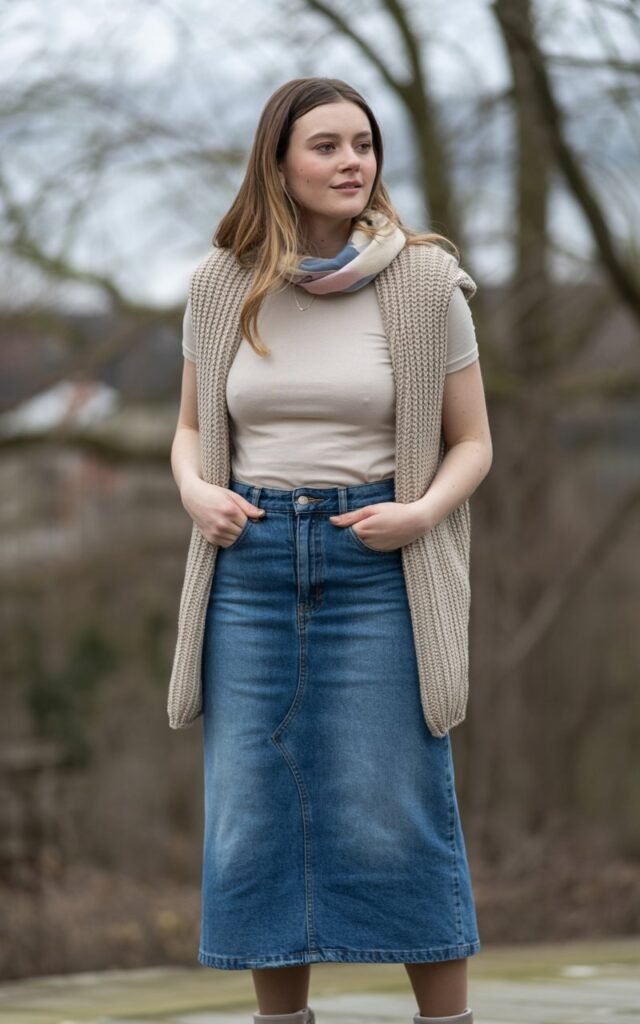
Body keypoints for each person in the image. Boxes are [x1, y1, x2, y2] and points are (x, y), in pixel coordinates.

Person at [169, 77, 493, 1024]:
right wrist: (195, 492)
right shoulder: (219, 286)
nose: (353, 162)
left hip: (377, 563)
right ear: (279, 163)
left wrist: (420, 514)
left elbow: (474, 441)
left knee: (397, 809)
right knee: (255, 813)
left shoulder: (427, 282)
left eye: (364, 143)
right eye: (327, 146)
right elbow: (189, 430)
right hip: (251, 567)